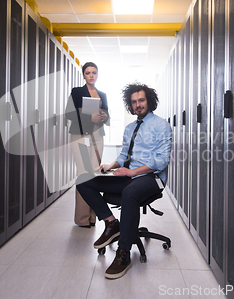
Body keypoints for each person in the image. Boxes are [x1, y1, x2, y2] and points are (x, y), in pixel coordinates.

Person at [76, 83, 172, 279]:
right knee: (84, 181)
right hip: (130, 175)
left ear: (149, 101)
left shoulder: (161, 125)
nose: (138, 105)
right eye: (134, 102)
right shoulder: (129, 128)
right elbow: (123, 155)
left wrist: (132, 172)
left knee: (130, 192)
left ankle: (123, 254)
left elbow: (161, 161)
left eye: (141, 100)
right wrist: (110, 166)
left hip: (151, 178)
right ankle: (111, 223)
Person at [65, 62, 109, 227]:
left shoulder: (102, 94)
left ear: (97, 75)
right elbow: (70, 113)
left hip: (97, 136)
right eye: (88, 73)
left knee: (94, 174)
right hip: (80, 135)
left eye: (94, 73)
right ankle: (82, 218)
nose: (91, 75)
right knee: (84, 174)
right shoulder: (77, 92)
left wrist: (104, 116)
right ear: (83, 75)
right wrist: (89, 118)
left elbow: (107, 114)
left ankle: (92, 216)